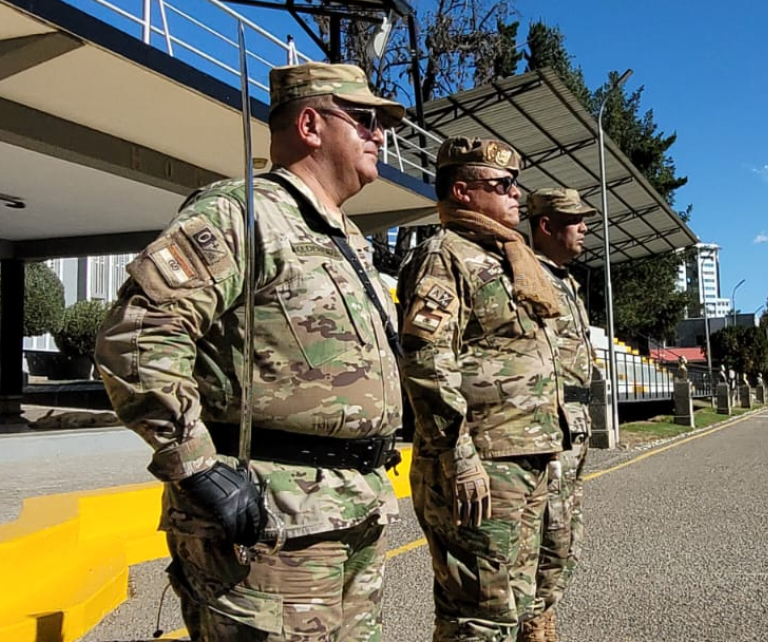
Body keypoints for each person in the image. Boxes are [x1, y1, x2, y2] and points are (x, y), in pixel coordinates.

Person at [96, 62, 405, 642]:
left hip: (351, 509)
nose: (379, 134)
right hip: (268, 523)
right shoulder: (240, 214)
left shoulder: (344, 237)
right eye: (364, 119)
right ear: (311, 125)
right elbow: (136, 339)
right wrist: (195, 467)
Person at [397, 137, 566, 642]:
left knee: (519, 603)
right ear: (464, 191)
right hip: (482, 465)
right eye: (504, 185)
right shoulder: (443, 256)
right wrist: (459, 457)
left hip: (526, 456)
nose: (517, 195)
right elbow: (427, 360)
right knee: (477, 616)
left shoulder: (509, 258)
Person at [521, 188, 599, 642]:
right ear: (545, 226)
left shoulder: (564, 279)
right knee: (548, 530)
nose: (584, 228)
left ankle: (544, 618)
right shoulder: (528, 275)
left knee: (567, 532)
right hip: (549, 421)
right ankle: (534, 624)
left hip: (575, 423)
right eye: (574, 220)